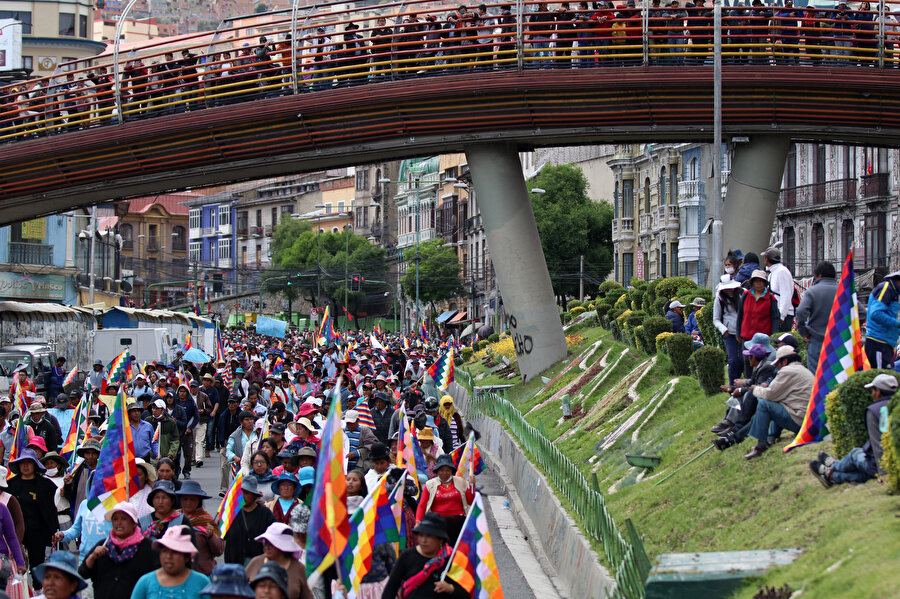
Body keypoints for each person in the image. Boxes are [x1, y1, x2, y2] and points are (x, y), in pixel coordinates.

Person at [810, 373, 895, 488]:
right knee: (862, 476)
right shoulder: (896, 405)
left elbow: (877, 443)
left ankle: (834, 467)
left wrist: (883, 472)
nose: (871, 393)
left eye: (873, 390)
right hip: (895, 462)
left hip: (881, 464)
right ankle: (831, 476)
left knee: (855, 453)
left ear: (878, 391)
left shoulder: (873, 410)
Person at [743, 346, 815, 460]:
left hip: (800, 420)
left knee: (764, 403)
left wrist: (755, 389)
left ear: (785, 361)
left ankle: (761, 444)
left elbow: (770, 394)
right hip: (808, 419)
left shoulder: (787, 371)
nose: (778, 367)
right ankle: (772, 435)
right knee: (777, 402)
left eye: (778, 364)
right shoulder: (802, 369)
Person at [78, 502, 156, 599]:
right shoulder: (103, 545)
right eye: (115, 519)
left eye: (124, 519)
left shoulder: (147, 547)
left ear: (133, 522)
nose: (119, 523)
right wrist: (92, 557)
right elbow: (83, 573)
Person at [381, 512, 468, 599]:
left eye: (429, 536)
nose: (423, 540)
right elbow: (390, 589)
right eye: (421, 535)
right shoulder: (407, 556)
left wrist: (451, 589)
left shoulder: (452, 559)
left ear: (440, 539)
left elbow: (467, 592)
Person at [712, 343, 778, 449]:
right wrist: (731, 389)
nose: (748, 359)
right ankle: (729, 425)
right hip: (762, 397)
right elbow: (750, 383)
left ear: (754, 357)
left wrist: (739, 390)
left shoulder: (766, 367)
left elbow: (756, 387)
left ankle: (733, 430)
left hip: (762, 398)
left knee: (748, 395)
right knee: (740, 395)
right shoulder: (758, 366)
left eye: (749, 356)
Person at [7, 448, 58, 567]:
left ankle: (37, 586)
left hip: (38, 531)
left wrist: (53, 530)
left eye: (29, 463)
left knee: (37, 565)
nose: (25, 466)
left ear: (35, 465)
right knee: (17, 564)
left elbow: (51, 510)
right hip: (16, 531)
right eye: (22, 463)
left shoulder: (46, 485)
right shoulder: (10, 485)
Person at [131, 525, 210, 598]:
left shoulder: (202, 582)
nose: (169, 556)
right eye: (165, 551)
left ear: (187, 557)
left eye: (175, 552)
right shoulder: (145, 582)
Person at [415, 454, 475, 543]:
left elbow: (470, 501)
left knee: (456, 549)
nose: (445, 473)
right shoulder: (429, 484)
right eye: (442, 470)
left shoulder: (461, 482)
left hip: (458, 524)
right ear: (437, 471)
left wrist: (471, 485)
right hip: (437, 524)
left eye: (448, 470)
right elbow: (422, 505)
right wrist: (418, 521)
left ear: (452, 471)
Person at [245, 523, 314, 599]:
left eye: (271, 543)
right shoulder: (255, 562)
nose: (267, 547)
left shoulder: (299, 568)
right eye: (265, 543)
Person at [795, 261, 838, 373]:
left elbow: (800, 311)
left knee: (816, 379)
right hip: (839, 341)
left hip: (817, 341)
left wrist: (803, 332)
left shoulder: (812, 291)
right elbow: (861, 313)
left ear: (819, 275)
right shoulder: (844, 291)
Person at [736, 269, 780, 375]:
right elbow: (740, 315)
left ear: (765, 283)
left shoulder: (770, 298)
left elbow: (775, 318)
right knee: (748, 363)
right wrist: (738, 333)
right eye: (756, 281)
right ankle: (748, 385)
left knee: (762, 364)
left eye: (761, 281)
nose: (758, 284)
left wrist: (773, 335)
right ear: (752, 283)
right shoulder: (746, 296)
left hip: (763, 338)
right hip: (747, 337)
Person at [223, 477, 275, 566]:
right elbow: (221, 534)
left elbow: (274, 535)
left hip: (257, 564)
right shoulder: (230, 512)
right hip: (233, 565)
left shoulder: (265, 513)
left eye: (246, 493)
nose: (243, 496)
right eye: (240, 493)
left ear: (254, 495)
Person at [177, 481, 224, 575]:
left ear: (199, 501)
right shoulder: (174, 518)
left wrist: (211, 537)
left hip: (202, 573)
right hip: (178, 573)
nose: (188, 503)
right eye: (185, 499)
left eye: (192, 499)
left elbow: (219, 550)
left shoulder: (207, 521)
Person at [864, 271, 900, 369]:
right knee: (882, 379)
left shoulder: (894, 292)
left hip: (885, 343)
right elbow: (875, 313)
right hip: (878, 342)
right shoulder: (886, 288)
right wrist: (897, 324)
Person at [713, 277, 743, 385]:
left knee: (744, 360)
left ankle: (742, 385)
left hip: (743, 332)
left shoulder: (742, 295)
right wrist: (724, 329)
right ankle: (732, 386)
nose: (728, 290)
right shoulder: (719, 299)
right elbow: (716, 319)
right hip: (729, 334)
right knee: (733, 360)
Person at [763, 247, 795, 333]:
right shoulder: (773, 272)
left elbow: (786, 294)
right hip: (776, 313)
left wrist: (782, 316)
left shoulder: (782, 272)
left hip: (783, 315)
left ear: (766, 260)